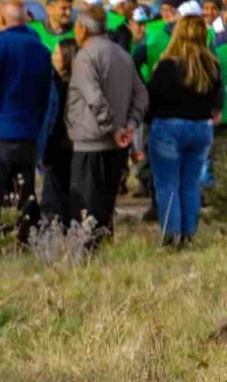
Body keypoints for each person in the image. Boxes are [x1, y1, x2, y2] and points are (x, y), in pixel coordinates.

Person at [0, 0, 53, 238]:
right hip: (27, 134)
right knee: (24, 192)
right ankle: (24, 239)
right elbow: (46, 96)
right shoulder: (41, 49)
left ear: (2, 20)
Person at [66, 5, 148, 244]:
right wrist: (129, 125)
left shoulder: (86, 57)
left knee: (86, 209)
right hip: (116, 146)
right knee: (105, 208)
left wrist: (115, 128)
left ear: (82, 29)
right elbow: (141, 95)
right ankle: (103, 255)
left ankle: (87, 258)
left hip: (90, 144)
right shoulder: (122, 54)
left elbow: (95, 99)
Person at [147, 11, 222, 246]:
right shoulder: (212, 66)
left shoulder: (167, 65)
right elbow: (216, 102)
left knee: (167, 182)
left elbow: (152, 98)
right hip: (201, 128)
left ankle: (171, 235)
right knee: (190, 183)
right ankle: (188, 234)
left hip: (169, 126)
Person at [42, 38, 78, 224]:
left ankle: (55, 223)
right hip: (67, 144)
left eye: (57, 53)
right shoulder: (64, 82)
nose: (53, 57)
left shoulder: (62, 86)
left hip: (60, 143)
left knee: (54, 189)